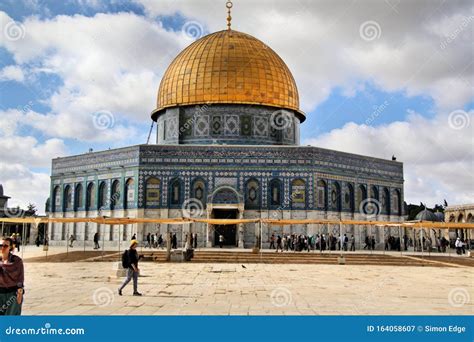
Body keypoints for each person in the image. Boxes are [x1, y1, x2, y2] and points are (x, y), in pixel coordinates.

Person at [0, 237, 24, 315]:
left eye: (5, 246)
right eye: (0, 245)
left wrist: (20, 294)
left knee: (10, 320)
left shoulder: (17, 261)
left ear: (10, 247)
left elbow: (20, 279)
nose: (2, 247)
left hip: (12, 295)